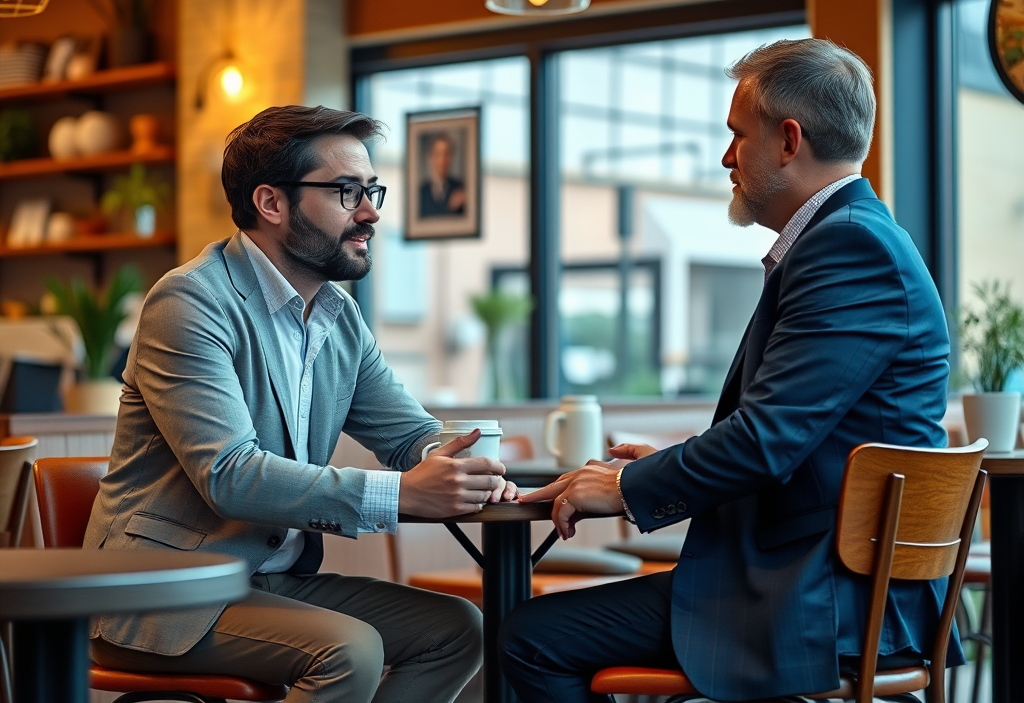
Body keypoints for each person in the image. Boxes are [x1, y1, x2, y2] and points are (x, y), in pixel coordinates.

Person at [498, 38, 960, 702]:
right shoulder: (855, 235)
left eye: (737, 135)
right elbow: (800, 438)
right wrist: (662, 463)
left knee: (530, 637)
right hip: (829, 581)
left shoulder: (848, 245)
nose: (725, 157)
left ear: (789, 140)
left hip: (823, 598)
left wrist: (629, 484)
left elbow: (769, 440)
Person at [84, 105, 518, 703]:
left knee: (455, 629)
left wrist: (461, 463)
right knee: (349, 649)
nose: (369, 213)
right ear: (271, 203)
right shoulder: (189, 301)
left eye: (371, 190)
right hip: (162, 592)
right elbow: (228, 475)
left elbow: (406, 432)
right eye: (346, 192)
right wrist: (403, 493)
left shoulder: (338, 316)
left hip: (268, 580)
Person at [418, 134, 466, 217]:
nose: (442, 160)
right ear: (431, 157)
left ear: (451, 157)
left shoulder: (461, 189)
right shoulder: (420, 192)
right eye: (438, 154)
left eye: (446, 154)